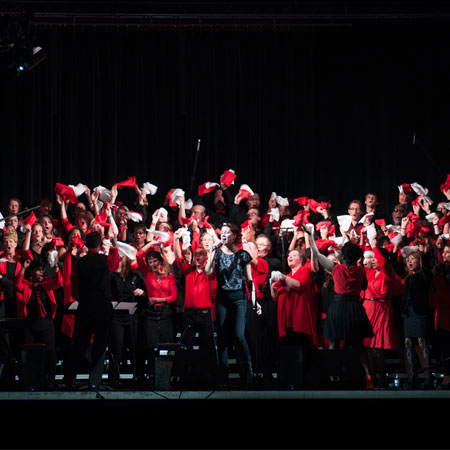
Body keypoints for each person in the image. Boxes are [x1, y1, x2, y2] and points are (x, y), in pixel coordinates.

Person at [304, 225, 374, 387]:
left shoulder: (336, 269)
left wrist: (311, 236)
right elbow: (363, 287)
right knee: (358, 345)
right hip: (354, 308)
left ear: (343, 256)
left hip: (338, 308)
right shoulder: (360, 271)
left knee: (334, 343)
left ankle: (332, 375)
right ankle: (367, 376)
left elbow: (318, 254)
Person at [205, 222, 256, 387]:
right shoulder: (218, 253)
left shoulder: (243, 254)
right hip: (222, 298)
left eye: (227, 233)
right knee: (222, 337)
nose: (224, 235)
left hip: (238, 297)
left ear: (234, 236)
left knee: (239, 335)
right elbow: (207, 271)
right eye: (222, 232)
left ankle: (247, 371)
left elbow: (249, 279)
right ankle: (223, 374)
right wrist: (213, 251)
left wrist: (254, 299)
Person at [68, 231, 119, 390]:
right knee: (100, 344)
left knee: (80, 344)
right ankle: (95, 381)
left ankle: (70, 380)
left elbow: (74, 288)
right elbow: (115, 263)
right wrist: (114, 245)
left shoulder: (80, 263)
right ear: (99, 244)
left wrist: (81, 299)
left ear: (86, 244)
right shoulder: (105, 260)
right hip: (102, 308)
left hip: (85, 307)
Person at [270, 248, 318, 389]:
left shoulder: (305, 271)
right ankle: (291, 379)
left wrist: (283, 278)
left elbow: (299, 285)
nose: (290, 257)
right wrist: (272, 283)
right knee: (289, 348)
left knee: (301, 346)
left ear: (301, 259)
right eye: (289, 255)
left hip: (299, 315)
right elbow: (275, 296)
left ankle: (303, 379)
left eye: (294, 255)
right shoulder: (289, 274)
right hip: (288, 318)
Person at [14, 256, 62, 388]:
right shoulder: (26, 284)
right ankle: (28, 380)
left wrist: (56, 267)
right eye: (38, 270)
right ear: (31, 273)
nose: (41, 273)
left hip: (46, 324)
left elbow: (58, 283)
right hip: (30, 325)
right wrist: (23, 268)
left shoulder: (46, 283)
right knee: (28, 354)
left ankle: (51, 380)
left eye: (42, 270)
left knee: (51, 352)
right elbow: (17, 285)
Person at [362, 243, 405, 388]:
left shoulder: (387, 272)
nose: (373, 260)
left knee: (377, 347)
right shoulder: (367, 272)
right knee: (368, 347)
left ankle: (382, 378)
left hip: (381, 309)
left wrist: (374, 244)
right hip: (367, 310)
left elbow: (383, 262)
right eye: (371, 258)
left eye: (376, 258)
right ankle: (372, 377)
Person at [135, 246, 177, 387]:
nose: (152, 264)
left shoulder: (169, 276)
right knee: (150, 347)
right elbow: (139, 254)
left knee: (165, 348)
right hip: (151, 314)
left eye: (154, 261)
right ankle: (152, 378)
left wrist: (158, 300)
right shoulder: (147, 274)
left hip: (165, 314)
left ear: (160, 261)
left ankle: (164, 379)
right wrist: (152, 241)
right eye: (150, 262)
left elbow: (173, 297)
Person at [109, 255, 147, 388]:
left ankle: (138, 377)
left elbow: (145, 294)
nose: (116, 265)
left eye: (118, 262)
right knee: (117, 349)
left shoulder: (135, 277)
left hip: (132, 317)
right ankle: (114, 379)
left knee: (134, 348)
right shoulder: (112, 278)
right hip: (116, 318)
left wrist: (142, 293)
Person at [401, 249, 434, 389]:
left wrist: (422, 254)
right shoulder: (407, 277)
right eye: (408, 260)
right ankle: (413, 377)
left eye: (412, 259)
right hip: (409, 313)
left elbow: (426, 268)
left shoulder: (424, 275)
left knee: (422, 343)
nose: (409, 261)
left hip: (420, 313)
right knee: (408, 343)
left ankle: (428, 377)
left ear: (419, 261)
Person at [430, 243, 450, 389]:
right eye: (444, 252)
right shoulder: (440, 269)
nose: (444, 255)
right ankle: (447, 376)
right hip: (441, 311)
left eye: (448, 252)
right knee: (444, 346)